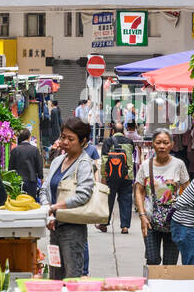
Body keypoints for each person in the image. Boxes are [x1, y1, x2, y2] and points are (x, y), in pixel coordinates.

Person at [39, 117, 96, 280]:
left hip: (73, 229)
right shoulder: (58, 160)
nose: (64, 142)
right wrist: (48, 210)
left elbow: (83, 195)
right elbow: (45, 187)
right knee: (55, 275)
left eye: (71, 139)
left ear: (83, 141)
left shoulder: (84, 163)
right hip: (54, 228)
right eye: (63, 137)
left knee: (72, 277)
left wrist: (56, 207)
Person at [135, 128, 190, 265]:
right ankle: (152, 286)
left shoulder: (179, 165)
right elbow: (139, 191)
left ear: (171, 144)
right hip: (150, 220)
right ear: (153, 143)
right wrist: (142, 215)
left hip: (173, 220)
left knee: (169, 263)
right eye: (158, 142)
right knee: (152, 259)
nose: (162, 146)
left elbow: (188, 190)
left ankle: (166, 286)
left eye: (165, 143)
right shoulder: (145, 165)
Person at [97, 119, 137, 234]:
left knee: (108, 201)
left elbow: (104, 160)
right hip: (127, 176)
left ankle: (104, 224)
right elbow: (131, 159)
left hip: (111, 177)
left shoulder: (108, 141)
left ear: (112, 131)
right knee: (126, 200)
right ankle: (125, 227)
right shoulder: (130, 142)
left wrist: (103, 176)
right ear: (123, 131)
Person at [7, 127, 43, 201]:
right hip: (32, 180)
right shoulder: (35, 150)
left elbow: (10, 168)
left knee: (19, 202)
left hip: (18, 181)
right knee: (30, 202)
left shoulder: (15, 150)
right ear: (29, 137)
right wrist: (41, 179)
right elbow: (39, 166)